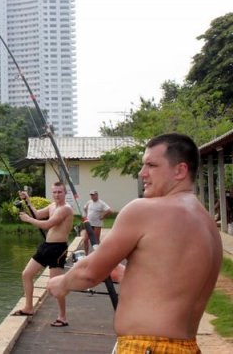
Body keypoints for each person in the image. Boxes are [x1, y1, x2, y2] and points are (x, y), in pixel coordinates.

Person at [47, 133, 223, 353]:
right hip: (187, 347)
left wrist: (61, 284)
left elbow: (89, 272)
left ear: (180, 170)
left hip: (146, 347)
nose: (142, 173)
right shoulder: (208, 225)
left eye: (151, 165)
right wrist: (126, 274)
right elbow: (175, 281)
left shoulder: (144, 209)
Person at [10, 181, 74, 328]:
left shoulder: (65, 209)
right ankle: (28, 307)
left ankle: (63, 317)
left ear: (65, 193)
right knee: (26, 274)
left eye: (60, 192)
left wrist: (28, 219)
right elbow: (38, 215)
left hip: (58, 249)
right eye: (55, 192)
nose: (57, 195)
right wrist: (28, 201)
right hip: (46, 246)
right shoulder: (52, 206)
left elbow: (46, 224)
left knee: (55, 285)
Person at [81, 190, 112, 254]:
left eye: (93, 195)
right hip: (89, 224)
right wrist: (85, 216)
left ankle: (98, 254)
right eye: (91, 195)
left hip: (97, 224)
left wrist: (103, 216)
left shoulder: (101, 203)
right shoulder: (89, 202)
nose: (92, 196)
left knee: (96, 240)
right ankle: (86, 254)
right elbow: (84, 208)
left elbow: (109, 210)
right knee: (85, 239)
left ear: (97, 195)